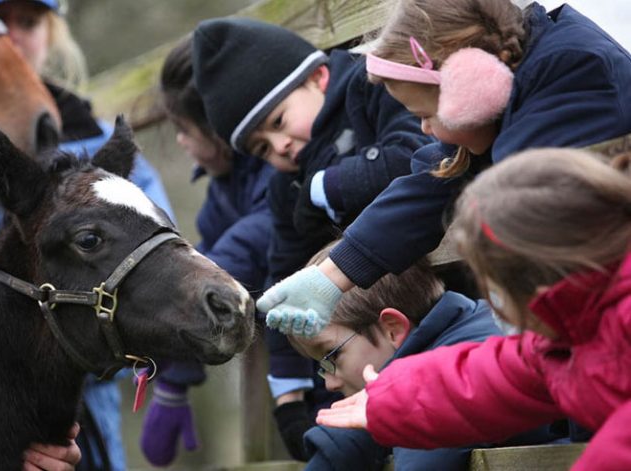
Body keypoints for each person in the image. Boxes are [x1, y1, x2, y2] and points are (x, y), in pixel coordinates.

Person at [0, 1, 174, 469]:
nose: (10, 37)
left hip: (85, 426)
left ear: (52, 35)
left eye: (27, 22)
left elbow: (153, 284)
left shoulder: (108, 146)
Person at [256, 0, 631, 339]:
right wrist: (330, 278)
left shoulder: (574, 70)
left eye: (425, 114)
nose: (424, 130)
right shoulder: (515, 92)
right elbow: (429, 183)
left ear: (469, 84)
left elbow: (517, 206)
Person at [191, 18, 433, 457]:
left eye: (279, 122)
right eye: (262, 148)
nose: (279, 146)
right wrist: (287, 395)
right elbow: (282, 279)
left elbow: (414, 156)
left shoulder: (371, 87)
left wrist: (326, 187)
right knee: (336, 432)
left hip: (427, 310)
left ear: (318, 77)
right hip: (355, 336)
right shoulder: (287, 186)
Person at [316, 147, 631, 470]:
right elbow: (487, 381)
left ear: (534, 279)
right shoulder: (564, 343)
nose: (493, 304)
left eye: (493, 287)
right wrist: (390, 401)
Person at [291, 242, 561, 470]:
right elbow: (380, 420)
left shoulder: (469, 348)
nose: (330, 384)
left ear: (392, 330)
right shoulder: (450, 332)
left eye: (331, 356)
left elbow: (424, 454)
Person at [137, 35, 275, 467]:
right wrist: (172, 380)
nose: (179, 142)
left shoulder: (278, 176)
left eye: (184, 130)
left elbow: (240, 250)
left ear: (219, 126)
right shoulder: (221, 192)